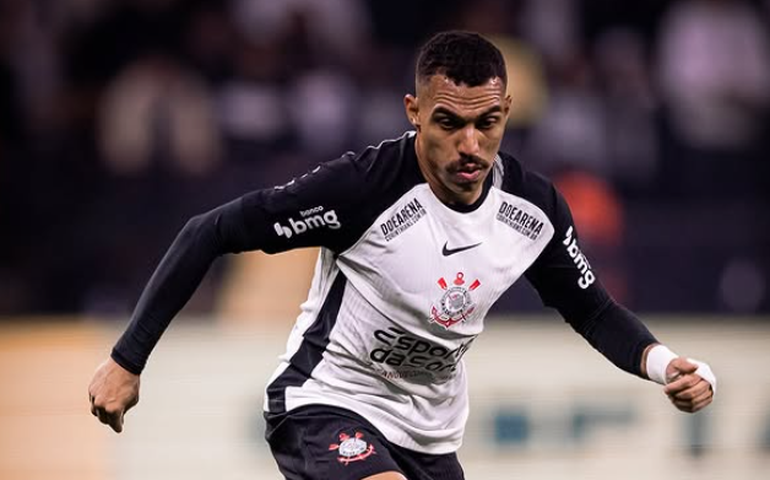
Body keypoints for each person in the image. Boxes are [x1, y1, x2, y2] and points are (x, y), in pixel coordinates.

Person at [88, 31, 716, 480]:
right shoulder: (362, 188)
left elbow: (594, 310)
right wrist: (127, 360)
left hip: (430, 438)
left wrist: (665, 366)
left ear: (506, 113)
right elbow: (208, 231)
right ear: (414, 112)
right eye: (448, 123)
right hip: (325, 403)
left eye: (487, 123)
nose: (470, 145)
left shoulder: (533, 210)